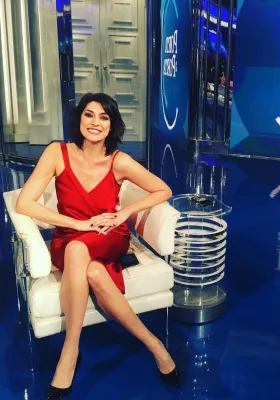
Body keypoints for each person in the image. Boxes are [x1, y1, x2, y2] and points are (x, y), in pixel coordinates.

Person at [15, 93, 180, 399]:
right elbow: (25, 203)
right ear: (79, 118)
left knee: (79, 251)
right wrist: (76, 224)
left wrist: (125, 212)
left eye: (104, 117)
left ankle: (69, 352)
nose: (95, 122)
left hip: (109, 236)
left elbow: (163, 190)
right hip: (68, 237)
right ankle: (155, 345)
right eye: (89, 114)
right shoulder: (57, 153)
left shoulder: (119, 161)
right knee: (88, 266)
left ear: (112, 125)